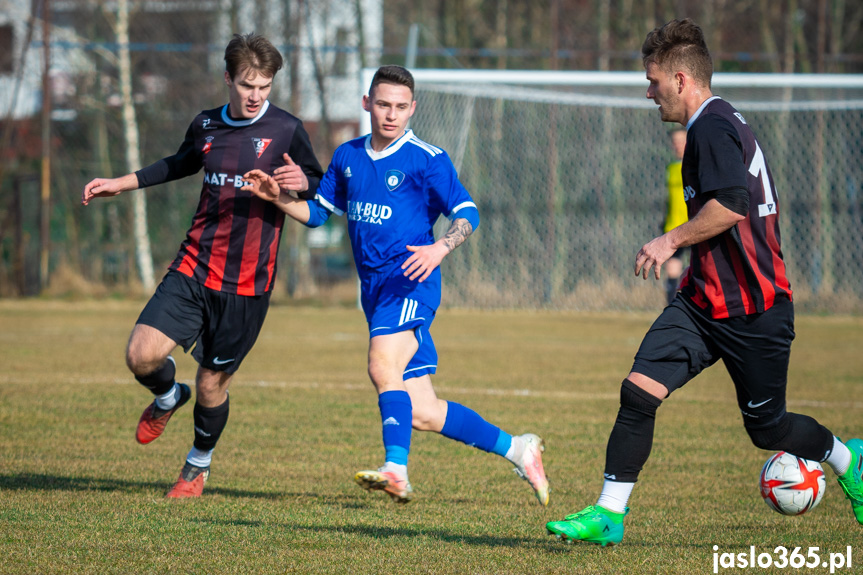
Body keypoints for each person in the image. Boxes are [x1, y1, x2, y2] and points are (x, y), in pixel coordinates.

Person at [546, 18, 862, 546]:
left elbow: (731, 207)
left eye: (652, 81)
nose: (648, 92)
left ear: (680, 80)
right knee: (638, 392)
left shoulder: (711, 127)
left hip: (755, 308)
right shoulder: (716, 122)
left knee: (769, 430)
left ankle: (847, 460)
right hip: (701, 303)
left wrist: (669, 241)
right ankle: (609, 514)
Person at [240, 65, 549, 506]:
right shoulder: (347, 156)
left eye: (401, 107)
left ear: (413, 109)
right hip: (376, 292)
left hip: (412, 283)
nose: (391, 115)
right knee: (422, 410)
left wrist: (440, 248)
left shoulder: (427, 158)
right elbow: (321, 213)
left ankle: (396, 471)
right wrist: (278, 198)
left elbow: (468, 212)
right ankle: (519, 448)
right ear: (367, 103)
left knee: (382, 364)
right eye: (383, 104)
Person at [81, 33, 324, 498]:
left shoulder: (288, 129)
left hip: (248, 284)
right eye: (248, 85)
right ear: (228, 79)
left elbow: (316, 184)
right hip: (193, 266)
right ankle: (169, 396)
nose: (256, 96)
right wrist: (122, 183)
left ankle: (197, 465)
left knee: (212, 383)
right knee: (141, 355)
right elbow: (180, 163)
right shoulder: (206, 125)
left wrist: (301, 183)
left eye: (266, 86)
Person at [662, 127, 688, 305]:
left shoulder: (697, 166)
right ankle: (671, 310)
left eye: (682, 141)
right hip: (674, 227)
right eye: (675, 142)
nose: (678, 145)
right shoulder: (671, 168)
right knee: (672, 270)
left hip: (696, 226)